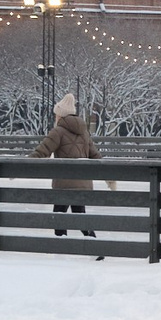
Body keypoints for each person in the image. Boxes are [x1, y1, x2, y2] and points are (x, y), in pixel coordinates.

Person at [32, 92, 98, 236]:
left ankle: (61, 245)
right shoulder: (84, 133)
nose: (55, 117)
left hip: (63, 184)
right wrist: (109, 177)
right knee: (81, 217)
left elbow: (42, 151)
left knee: (59, 219)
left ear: (60, 116)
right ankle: (93, 243)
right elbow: (96, 156)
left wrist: (21, 164)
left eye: (56, 115)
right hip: (82, 183)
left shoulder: (58, 132)